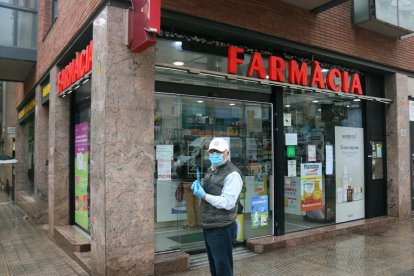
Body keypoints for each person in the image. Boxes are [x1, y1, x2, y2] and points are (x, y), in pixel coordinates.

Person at [191, 137, 243, 276]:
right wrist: (200, 187)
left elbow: (228, 202)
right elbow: (213, 190)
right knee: (215, 266)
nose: (214, 155)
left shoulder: (232, 174)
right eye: (212, 152)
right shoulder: (213, 169)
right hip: (210, 225)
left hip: (222, 227)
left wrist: (204, 195)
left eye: (218, 152)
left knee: (222, 267)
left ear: (226, 153)